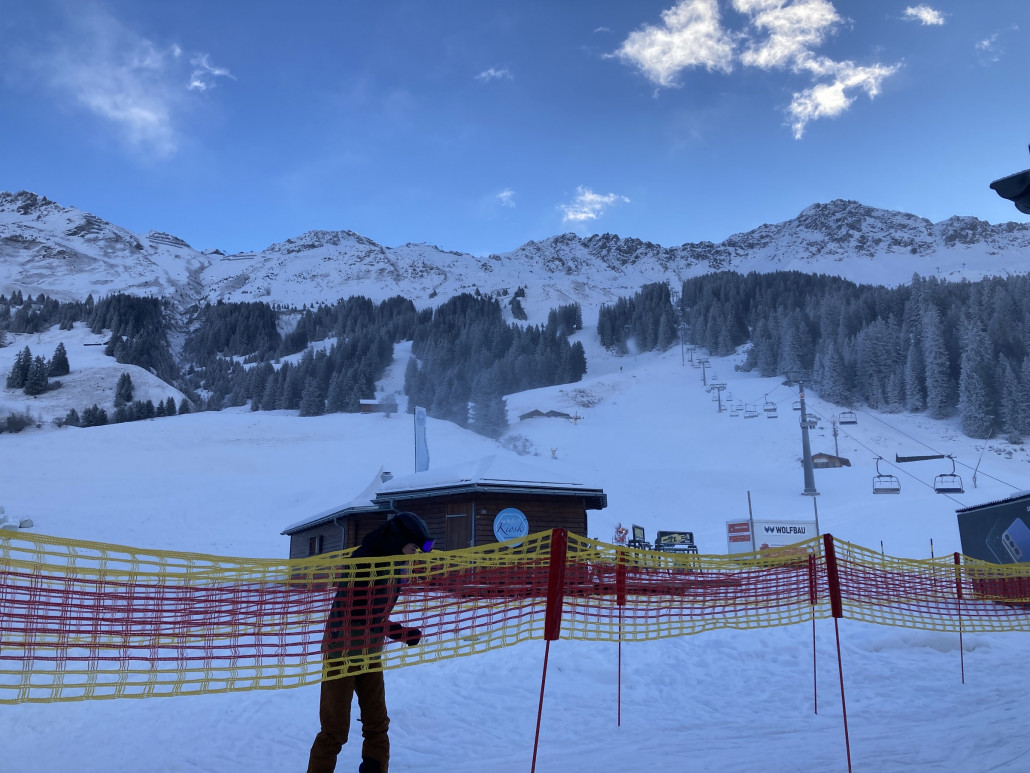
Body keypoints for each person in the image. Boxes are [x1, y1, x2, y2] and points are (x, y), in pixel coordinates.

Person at [307, 511, 434, 773]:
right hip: (341, 653)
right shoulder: (365, 560)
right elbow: (361, 613)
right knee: (334, 731)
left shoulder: (396, 564)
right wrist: (400, 632)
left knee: (377, 724)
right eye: (413, 548)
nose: (415, 555)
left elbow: (378, 613)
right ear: (399, 540)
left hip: (369, 652)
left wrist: (393, 632)